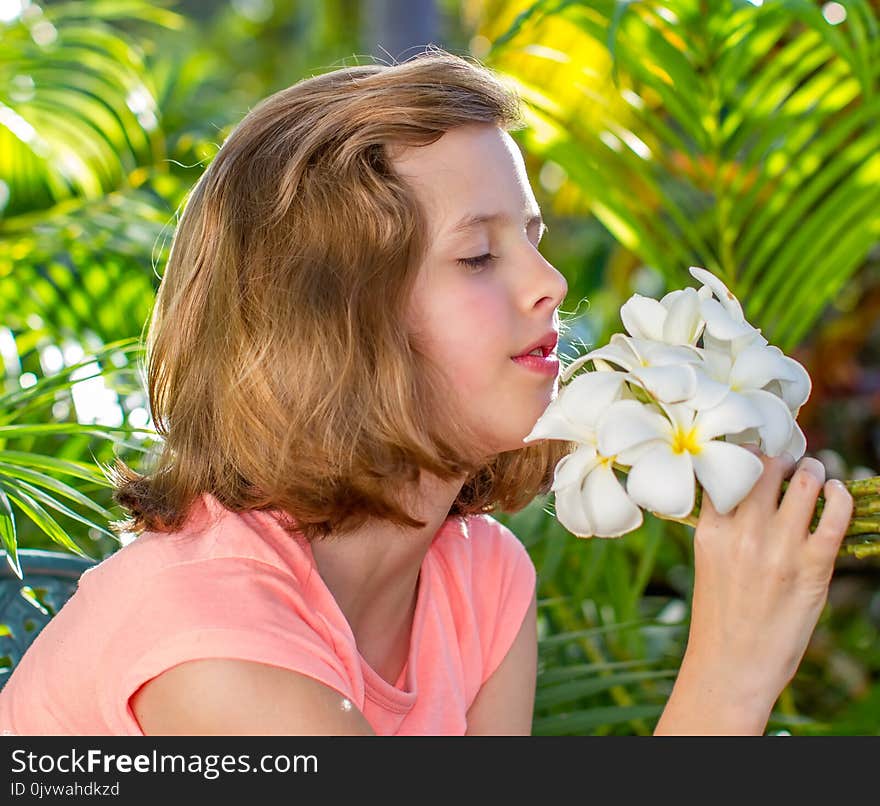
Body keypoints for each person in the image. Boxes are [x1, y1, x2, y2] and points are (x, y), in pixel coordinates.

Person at [0, 48, 852, 736]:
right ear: (332, 325)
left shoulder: (477, 580)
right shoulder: (217, 653)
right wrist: (729, 680)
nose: (551, 282)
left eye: (532, 238)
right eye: (478, 256)